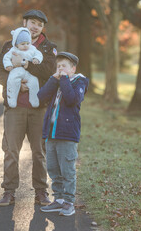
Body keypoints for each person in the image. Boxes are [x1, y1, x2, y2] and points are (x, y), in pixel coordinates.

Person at [0, 9, 57, 206]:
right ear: (24, 23)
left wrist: (26, 65)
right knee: (11, 150)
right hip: (14, 108)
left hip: (39, 108)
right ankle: (9, 191)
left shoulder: (48, 48)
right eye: (33, 22)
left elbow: (49, 72)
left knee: (39, 151)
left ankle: (41, 192)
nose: (36, 26)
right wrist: (14, 84)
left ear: (42, 28)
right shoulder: (8, 45)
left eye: (40, 24)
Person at [38, 52, 89, 216]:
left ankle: (69, 202)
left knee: (67, 169)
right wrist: (54, 79)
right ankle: (58, 200)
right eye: (58, 66)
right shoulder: (57, 82)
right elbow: (40, 96)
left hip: (67, 134)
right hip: (51, 133)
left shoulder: (80, 82)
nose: (60, 69)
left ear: (73, 69)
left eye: (64, 66)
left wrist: (65, 79)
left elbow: (71, 99)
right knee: (53, 168)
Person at [3, 27, 43, 108]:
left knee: (34, 82)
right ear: (17, 44)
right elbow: (6, 57)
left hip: (29, 72)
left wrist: (36, 59)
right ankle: (12, 99)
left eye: (27, 43)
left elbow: (39, 54)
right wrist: (8, 65)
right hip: (16, 70)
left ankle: (34, 99)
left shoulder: (32, 48)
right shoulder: (13, 50)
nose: (25, 46)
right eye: (22, 44)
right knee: (12, 81)